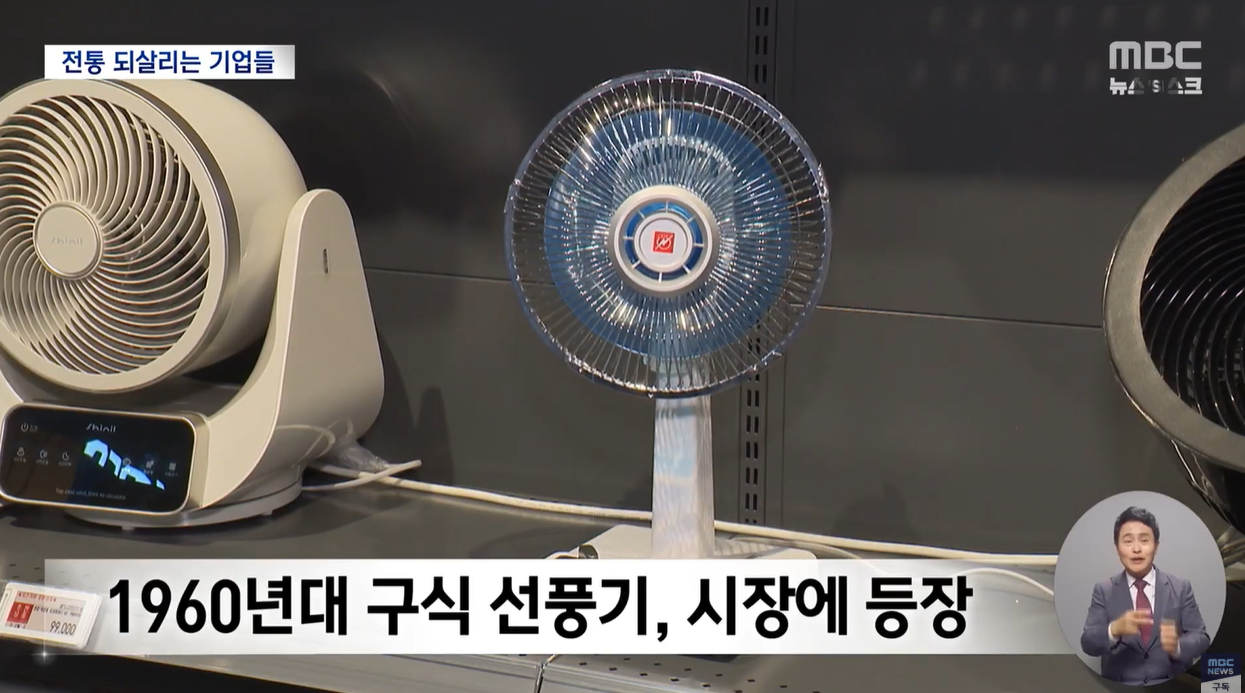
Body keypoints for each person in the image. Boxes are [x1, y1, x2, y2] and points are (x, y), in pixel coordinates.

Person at [1080, 506, 1211, 685]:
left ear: (1156, 546)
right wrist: (1114, 629)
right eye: (1128, 541)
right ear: (1117, 548)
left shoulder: (1181, 587)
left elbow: (1202, 638)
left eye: (1144, 540)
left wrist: (1177, 645)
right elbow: (1088, 643)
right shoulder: (1103, 590)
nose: (1136, 549)